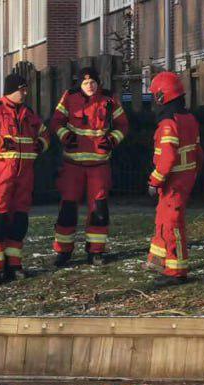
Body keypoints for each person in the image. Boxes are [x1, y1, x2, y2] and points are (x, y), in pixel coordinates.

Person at [0, 74, 49, 286]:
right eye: (22, 89)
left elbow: (45, 134)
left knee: (19, 220)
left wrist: (42, 143)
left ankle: (14, 264)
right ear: (11, 89)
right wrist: (0, 143)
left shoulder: (29, 114)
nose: (25, 92)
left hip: (24, 177)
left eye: (26, 89)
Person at [48, 66, 130, 267]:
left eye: (93, 82)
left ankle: (96, 252)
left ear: (98, 82)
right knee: (67, 208)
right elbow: (56, 122)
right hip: (72, 165)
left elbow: (123, 125)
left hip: (99, 165)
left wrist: (112, 139)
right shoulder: (69, 97)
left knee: (99, 209)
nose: (90, 86)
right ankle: (63, 251)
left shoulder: (109, 99)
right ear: (80, 84)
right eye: (86, 83)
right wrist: (64, 136)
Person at [146, 72, 200, 286]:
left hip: (172, 181)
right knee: (163, 218)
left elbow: (167, 158)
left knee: (172, 224)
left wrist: (154, 181)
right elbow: (198, 151)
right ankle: (159, 259)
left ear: (161, 97)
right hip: (185, 178)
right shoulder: (189, 118)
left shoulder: (168, 124)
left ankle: (176, 270)